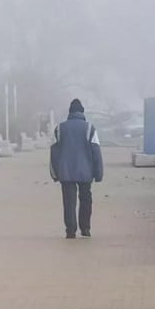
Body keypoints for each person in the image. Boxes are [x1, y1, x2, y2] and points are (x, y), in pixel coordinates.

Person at [49, 99, 104, 239]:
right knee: (86, 199)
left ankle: (70, 230)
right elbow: (96, 151)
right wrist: (98, 174)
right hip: (86, 171)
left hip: (65, 172)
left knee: (69, 201)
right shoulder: (90, 128)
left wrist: (54, 173)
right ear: (82, 112)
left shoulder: (59, 129)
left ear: (70, 112)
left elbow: (54, 153)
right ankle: (85, 228)